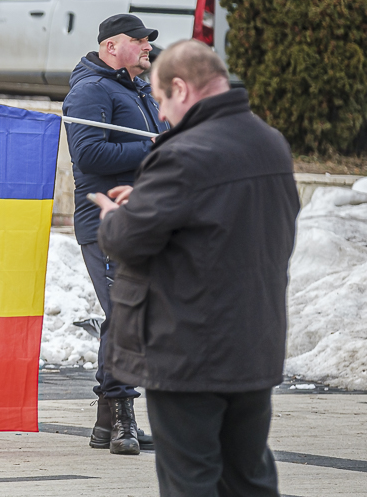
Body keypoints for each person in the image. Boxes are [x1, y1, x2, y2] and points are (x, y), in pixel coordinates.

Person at [95, 40, 298, 496]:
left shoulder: (182, 153)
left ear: (182, 89)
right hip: (254, 345)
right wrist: (149, 200)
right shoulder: (271, 143)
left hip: (189, 351)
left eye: (161, 99)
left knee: (190, 480)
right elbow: (226, 217)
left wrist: (115, 216)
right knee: (248, 477)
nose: (162, 114)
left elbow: (128, 240)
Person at [62, 13, 166, 454]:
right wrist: (152, 147)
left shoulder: (137, 89)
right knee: (126, 316)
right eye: (138, 40)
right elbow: (88, 153)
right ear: (110, 46)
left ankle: (107, 423)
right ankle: (122, 418)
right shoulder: (90, 90)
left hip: (140, 220)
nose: (147, 46)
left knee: (128, 315)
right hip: (105, 223)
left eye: (147, 40)